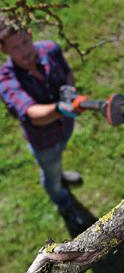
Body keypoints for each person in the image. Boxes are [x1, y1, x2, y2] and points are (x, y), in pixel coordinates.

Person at [0, 15, 88, 229]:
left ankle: (60, 175)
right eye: (15, 48)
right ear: (4, 51)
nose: (24, 51)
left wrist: (69, 90)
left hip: (63, 129)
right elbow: (31, 113)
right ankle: (62, 199)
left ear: (30, 34)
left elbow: (67, 73)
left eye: (24, 42)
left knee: (57, 161)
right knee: (49, 169)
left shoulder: (50, 49)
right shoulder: (5, 79)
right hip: (44, 141)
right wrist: (60, 108)